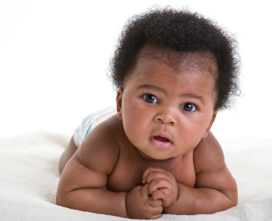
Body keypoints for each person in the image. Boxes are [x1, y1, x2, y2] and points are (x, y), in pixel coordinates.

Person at [56, 7, 240, 219]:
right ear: (120, 103)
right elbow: (69, 193)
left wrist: (179, 197)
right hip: (95, 125)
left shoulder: (204, 151)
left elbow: (225, 196)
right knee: (67, 166)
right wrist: (125, 205)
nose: (166, 117)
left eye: (188, 106)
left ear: (209, 123)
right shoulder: (105, 141)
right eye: (150, 98)